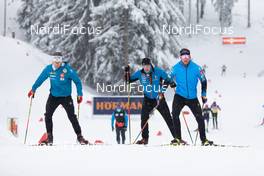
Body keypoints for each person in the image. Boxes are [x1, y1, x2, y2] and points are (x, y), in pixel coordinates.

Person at [27, 52, 89, 145]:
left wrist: (79, 94)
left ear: (61, 60)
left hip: (66, 97)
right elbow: (40, 79)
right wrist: (33, 89)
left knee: (72, 117)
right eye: (55, 59)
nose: (57, 62)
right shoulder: (48, 69)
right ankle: (49, 138)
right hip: (53, 97)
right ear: (52, 60)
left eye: (59, 60)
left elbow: (77, 81)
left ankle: (80, 137)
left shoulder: (67, 70)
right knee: (48, 115)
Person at [125, 58, 176, 145]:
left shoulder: (158, 71)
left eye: (148, 66)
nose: (146, 68)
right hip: (148, 99)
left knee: (168, 118)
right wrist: (127, 73)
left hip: (159, 99)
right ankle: (145, 139)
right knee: (144, 117)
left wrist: (165, 89)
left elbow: (168, 79)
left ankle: (177, 138)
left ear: (150, 65)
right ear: (142, 66)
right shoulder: (140, 73)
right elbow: (128, 81)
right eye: (145, 66)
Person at [169, 48, 213, 146]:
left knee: (200, 118)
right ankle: (177, 138)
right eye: (183, 56)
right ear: (180, 57)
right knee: (175, 115)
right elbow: (168, 77)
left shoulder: (197, 68)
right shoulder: (175, 68)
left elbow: (204, 80)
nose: (185, 58)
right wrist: (171, 82)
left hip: (192, 98)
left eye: (187, 56)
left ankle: (204, 140)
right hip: (179, 96)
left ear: (190, 57)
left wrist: (203, 94)